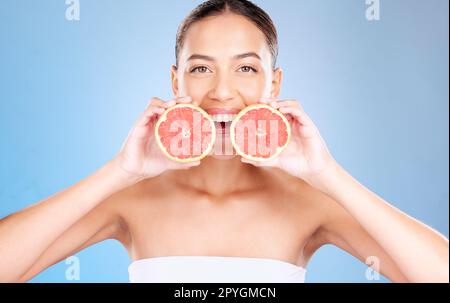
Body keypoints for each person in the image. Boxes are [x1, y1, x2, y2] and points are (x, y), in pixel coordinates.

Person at [0, 0, 448, 283]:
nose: (222, 92)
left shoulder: (310, 201)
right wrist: (118, 172)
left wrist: (328, 175)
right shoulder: (130, 197)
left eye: (246, 68)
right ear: (175, 81)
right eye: (200, 68)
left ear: (274, 85)